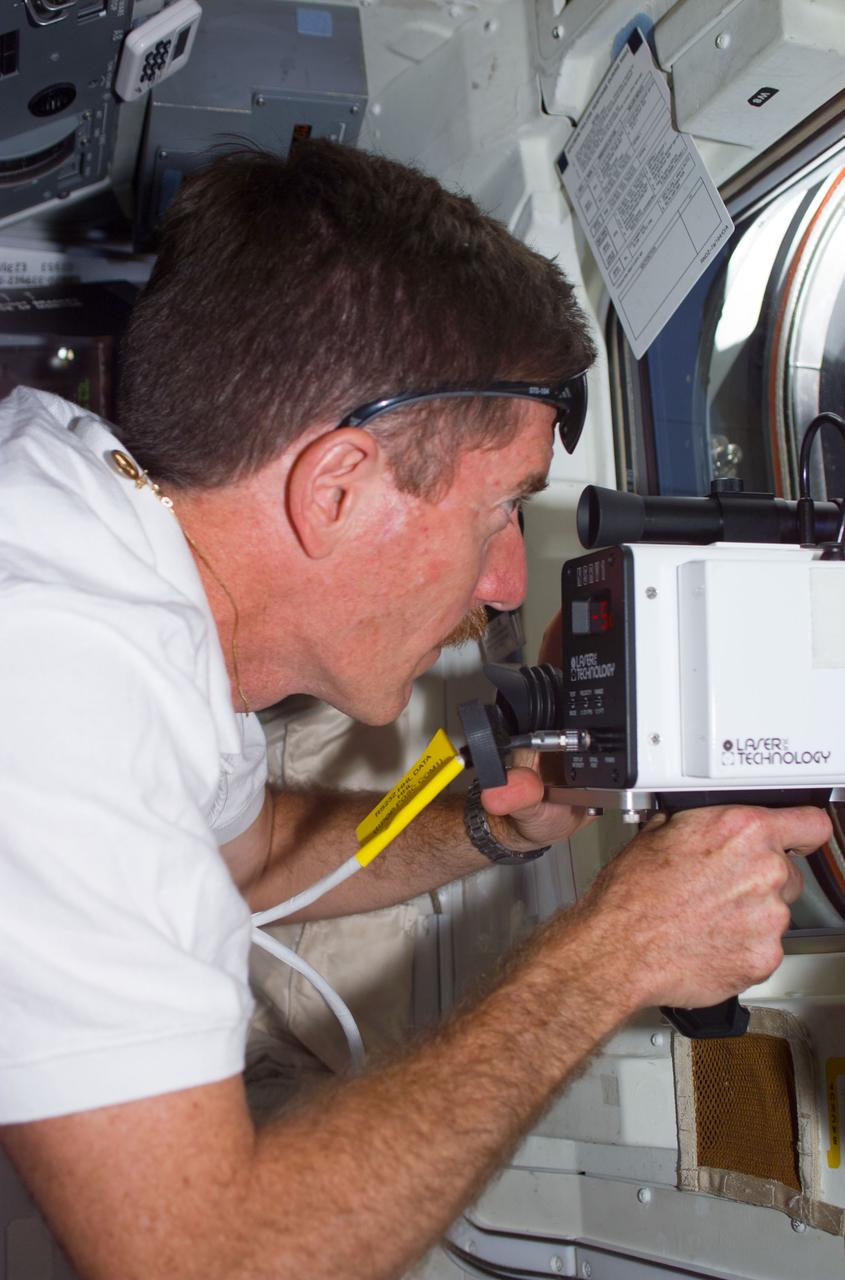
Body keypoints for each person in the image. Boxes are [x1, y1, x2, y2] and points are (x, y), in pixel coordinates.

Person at [0, 142, 829, 1280]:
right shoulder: (52, 676)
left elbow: (248, 857)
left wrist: (490, 826)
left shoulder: (110, 557)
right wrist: (615, 951)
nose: (502, 580)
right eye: (498, 510)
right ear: (333, 488)